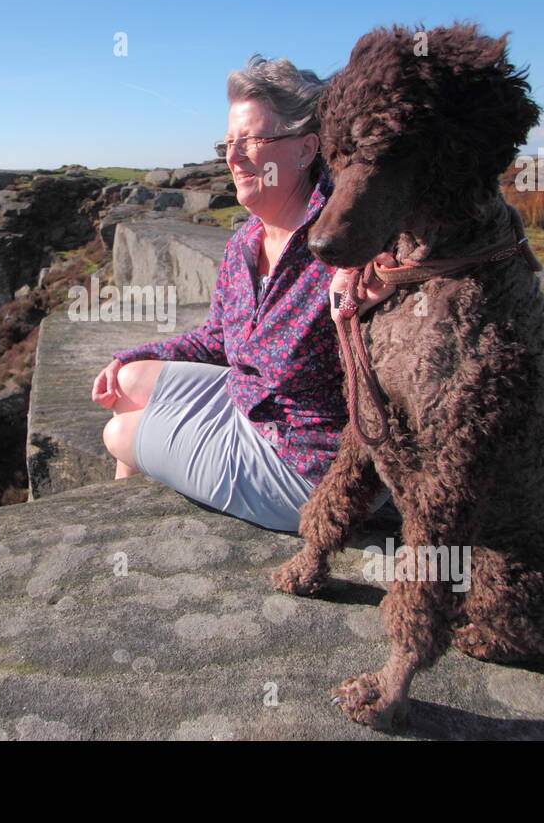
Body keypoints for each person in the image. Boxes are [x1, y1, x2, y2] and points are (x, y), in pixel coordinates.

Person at [93, 54, 389, 533]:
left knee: (120, 432)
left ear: (306, 148)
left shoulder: (349, 240)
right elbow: (217, 339)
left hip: (313, 465)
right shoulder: (245, 243)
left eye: (252, 140)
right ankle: (136, 515)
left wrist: (380, 279)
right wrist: (132, 354)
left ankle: (127, 532)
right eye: (229, 142)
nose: (233, 157)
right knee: (126, 381)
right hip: (251, 404)